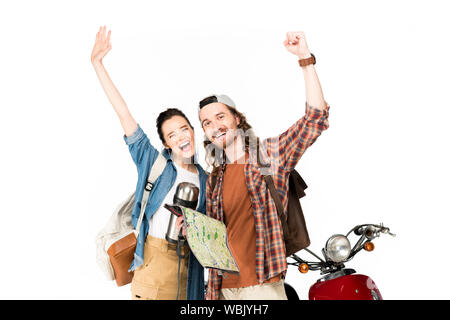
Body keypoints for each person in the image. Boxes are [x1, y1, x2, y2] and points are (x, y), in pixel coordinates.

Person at [198, 31, 330, 300]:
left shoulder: (269, 155)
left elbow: (315, 118)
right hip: (220, 288)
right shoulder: (215, 178)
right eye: (207, 123)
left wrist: (305, 59)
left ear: (236, 118)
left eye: (220, 116)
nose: (215, 127)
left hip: (262, 284)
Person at [91, 26, 207, 300]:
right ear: (166, 143)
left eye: (183, 129)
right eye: (172, 134)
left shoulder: (205, 178)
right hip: (154, 265)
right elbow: (124, 115)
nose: (180, 137)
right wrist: (98, 64)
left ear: (193, 130)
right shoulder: (154, 163)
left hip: (190, 272)